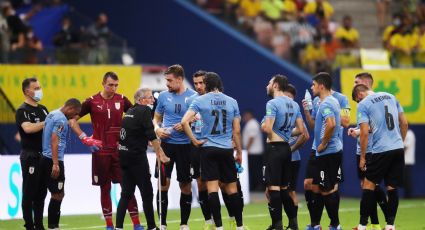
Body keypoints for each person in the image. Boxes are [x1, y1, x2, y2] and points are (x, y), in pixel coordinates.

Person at [69, 71, 142, 230]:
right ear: (103, 83)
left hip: (120, 151)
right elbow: (72, 120)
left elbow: (138, 117)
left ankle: (137, 224)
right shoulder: (91, 101)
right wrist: (84, 138)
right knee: (105, 187)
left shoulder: (122, 100)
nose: (113, 88)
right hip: (100, 151)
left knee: (127, 186)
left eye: (116, 85)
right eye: (110, 85)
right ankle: (109, 225)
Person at [181, 72, 246, 230]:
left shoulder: (199, 100)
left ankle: (218, 227)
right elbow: (236, 131)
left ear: (206, 84)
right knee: (232, 189)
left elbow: (184, 122)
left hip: (208, 148)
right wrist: (239, 151)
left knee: (212, 189)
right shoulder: (232, 101)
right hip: (226, 149)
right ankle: (239, 226)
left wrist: (194, 140)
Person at [352, 84, 408, 230]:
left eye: (357, 100)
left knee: (368, 185)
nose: (358, 102)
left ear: (359, 95)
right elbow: (404, 123)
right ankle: (390, 225)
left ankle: (362, 225)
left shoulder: (363, 104)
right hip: (397, 148)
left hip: (381, 150)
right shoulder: (391, 96)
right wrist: (399, 142)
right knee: (391, 187)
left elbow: (364, 132)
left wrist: (363, 157)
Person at [115, 88, 170, 230]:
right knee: (147, 193)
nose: (153, 100)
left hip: (124, 157)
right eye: (150, 98)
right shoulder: (144, 110)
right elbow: (151, 135)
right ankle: (152, 226)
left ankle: (119, 227)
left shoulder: (130, 112)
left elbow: (136, 133)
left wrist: (148, 141)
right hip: (136, 158)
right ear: (141, 100)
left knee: (126, 194)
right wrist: (161, 154)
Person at [302, 72, 349, 230]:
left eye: (314, 84)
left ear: (321, 85)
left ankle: (335, 224)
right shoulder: (327, 101)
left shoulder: (328, 103)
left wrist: (323, 143)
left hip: (328, 151)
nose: (312, 87)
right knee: (318, 187)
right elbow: (321, 124)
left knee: (327, 189)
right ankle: (318, 224)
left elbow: (331, 123)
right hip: (327, 151)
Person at [153, 64, 196, 230]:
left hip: (186, 146)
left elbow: (200, 118)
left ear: (179, 79)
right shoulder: (163, 96)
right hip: (166, 146)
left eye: (170, 80)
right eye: (166, 80)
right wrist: (158, 129)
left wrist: (188, 122)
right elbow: (155, 118)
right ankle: (162, 223)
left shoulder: (193, 97)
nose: (167, 84)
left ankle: (184, 224)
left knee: (185, 185)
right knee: (163, 183)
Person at [261, 75, 307, 230]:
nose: (266, 85)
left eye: (269, 83)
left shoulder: (272, 103)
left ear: (275, 85)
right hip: (287, 150)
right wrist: (285, 135)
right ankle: (293, 224)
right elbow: (300, 130)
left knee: (273, 189)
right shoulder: (294, 105)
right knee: (284, 189)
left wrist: (276, 136)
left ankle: (277, 225)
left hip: (274, 148)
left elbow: (267, 128)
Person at [37, 98, 83, 229]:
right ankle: (53, 226)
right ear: (70, 109)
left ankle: (42, 225)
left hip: (44, 158)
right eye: (75, 113)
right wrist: (56, 163)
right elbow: (54, 140)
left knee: (47, 194)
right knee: (58, 194)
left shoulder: (52, 113)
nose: (74, 117)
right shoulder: (61, 119)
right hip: (53, 159)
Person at [351, 72, 388, 229]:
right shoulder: (363, 102)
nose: (354, 84)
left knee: (372, 186)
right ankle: (375, 224)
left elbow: (378, 125)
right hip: (362, 149)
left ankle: (388, 220)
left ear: (365, 83)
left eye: (356, 81)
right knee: (367, 187)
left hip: (372, 150)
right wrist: (358, 131)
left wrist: (360, 132)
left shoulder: (376, 101)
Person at [15, 77, 48, 230]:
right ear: (27, 91)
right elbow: (28, 128)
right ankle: (29, 225)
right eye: (36, 88)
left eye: (39, 87)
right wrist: (47, 121)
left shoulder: (43, 109)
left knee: (41, 193)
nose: (39, 90)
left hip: (44, 155)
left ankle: (39, 225)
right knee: (29, 192)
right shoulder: (22, 110)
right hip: (30, 155)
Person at [184, 70, 215, 230]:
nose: (198, 86)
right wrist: (190, 122)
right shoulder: (191, 101)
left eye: (201, 83)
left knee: (220, 183)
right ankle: (209, 221)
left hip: (215, 145)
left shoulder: (216, 99)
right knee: (201, 183)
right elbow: (184, 124)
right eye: (195, 83)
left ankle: (232, 219)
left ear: (207, 82)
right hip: (197, 147)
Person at [284, 84, 310, 230]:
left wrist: (292, 148)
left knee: (290, 191)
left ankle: (293, 224)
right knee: (274, 191)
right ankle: (290, 223)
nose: (287, 99)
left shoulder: (294, 112)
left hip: (292, 159)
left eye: (290, 97)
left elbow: (305, 135)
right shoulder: (281, 110)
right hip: (280, 157)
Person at [242, 110, 264, 192]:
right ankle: (256, 186)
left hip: (254, 152)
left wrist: (246, 150)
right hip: (253, 152)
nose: (243, 118)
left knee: (256, 170)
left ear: (249, 115)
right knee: (254, 170)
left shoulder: (252, 124)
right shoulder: (251, 123)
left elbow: (251, 138)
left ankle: (259, 186)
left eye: (245, 116)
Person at [403, 129, 416, 198]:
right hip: (404, 161)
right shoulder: (405, 133)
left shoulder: (409, 134)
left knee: (407, 179)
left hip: (407, 160)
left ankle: (408, 196)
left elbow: (405, 146)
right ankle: (407, 195)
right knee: (405, 179)